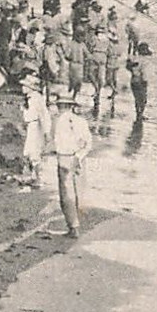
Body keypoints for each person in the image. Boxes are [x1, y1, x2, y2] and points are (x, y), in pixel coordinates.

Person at [50, 90, 92, 238]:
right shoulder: (81, 121)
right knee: (79, 190)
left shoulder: (57, 121)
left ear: (60, 106)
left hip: (65, 158)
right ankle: (79, 221)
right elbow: (88, 142)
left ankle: (73, 226)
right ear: (72, 106)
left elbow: (55, 142)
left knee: (66, 193)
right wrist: (80, 155)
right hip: (79, 157)